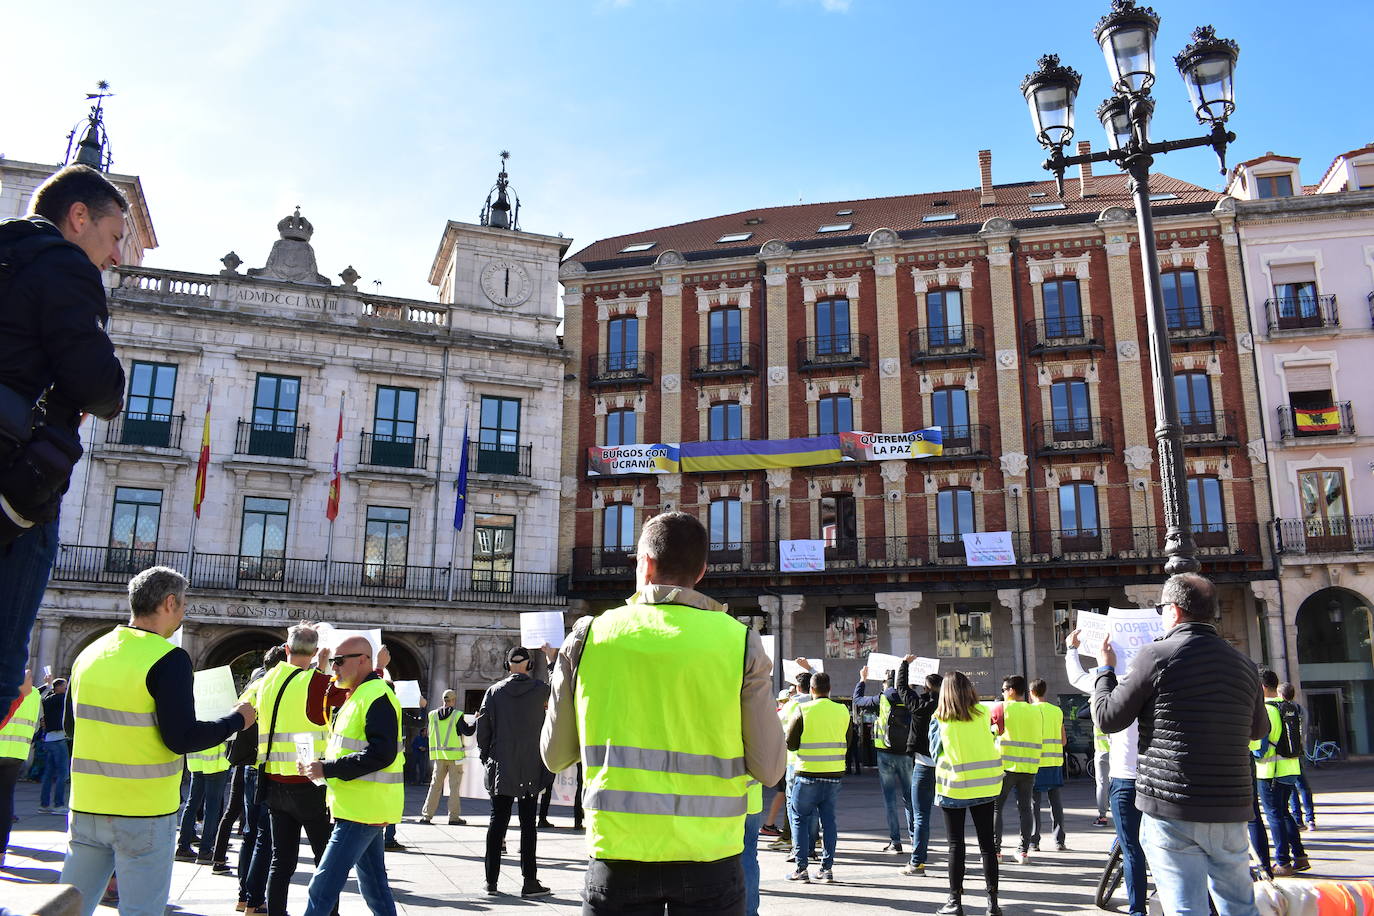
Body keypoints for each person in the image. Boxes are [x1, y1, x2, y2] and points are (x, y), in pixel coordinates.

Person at [541, 511, 785, 916]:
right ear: (702, 571)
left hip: (618, 857)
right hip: (711, 859)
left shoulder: (586, 637)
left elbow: (554, 756)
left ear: (646, 563)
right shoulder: (741, 642)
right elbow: (770, 769)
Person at [0, 165, 126, 728]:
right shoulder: (65, 268)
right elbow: (99, 385)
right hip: (16, 477)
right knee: (5, 664)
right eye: (118, 235)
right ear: (78, 217)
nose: (118, 255)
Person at [58, 566, 256, 916]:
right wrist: (236, 720)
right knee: (141, 910)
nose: (184, 612)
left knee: (68, 907)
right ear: (169, 602)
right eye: (183, 604)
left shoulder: (88, 653)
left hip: (86, 804)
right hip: (143, 810)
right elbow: (182, 738)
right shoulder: (168, 658)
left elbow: (70, 727)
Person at [1093, 573, 1268, 916]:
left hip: (1173, 807)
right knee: (1239, 907)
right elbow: (1258, 730)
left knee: (1186, 908)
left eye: (1161, 608)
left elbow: (1108, 717)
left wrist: (1104, 669)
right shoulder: (1246, 666)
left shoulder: (1156, 655)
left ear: (1173, 611)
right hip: (1231, 808)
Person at [298, 636, 402, 916]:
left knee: (321, 888)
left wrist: (327, 769)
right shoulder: (356, 696)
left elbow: (382, 754)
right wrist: (320, 767)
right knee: (375, 888)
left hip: (362, 808)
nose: (335, 667)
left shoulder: (376, 695)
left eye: (340, 661)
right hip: (360, 805)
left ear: (363, 660)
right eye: (333, 661)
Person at [254, 623, 334, 916]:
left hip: (273, 782)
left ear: (286, 649)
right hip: (309, 784)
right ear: (314, 652)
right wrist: (323, 669)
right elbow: (339, 699)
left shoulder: (267, 679)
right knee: (324, 860)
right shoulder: (316, 681)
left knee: (281, 861)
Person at [1066, 628, 1147, 916]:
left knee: (1131, 848)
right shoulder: (1156, 680)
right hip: (1158, 776)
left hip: (1125, 777)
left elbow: (1076, 678)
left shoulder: (1113, 685)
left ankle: (1138, 910)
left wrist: (1072, 648)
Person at [478, 645, 553, 898]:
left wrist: (487, 756)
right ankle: (529, 881)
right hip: (531, 766)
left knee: (497, 821)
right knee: (528, 825)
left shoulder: (494, 691)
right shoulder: (542, 690)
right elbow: (561, 702)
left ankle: (491, 881)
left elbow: (483, 729)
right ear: (529, 665)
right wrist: (552, 661)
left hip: (502, 767)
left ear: (507, 665)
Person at [931, 671, 1002, 916]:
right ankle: (992, 904)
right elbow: (992, 740)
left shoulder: (940, 718)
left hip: (954, 787)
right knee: (987, 846)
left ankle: (955, 902)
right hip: (986, 786)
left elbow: (934, 753)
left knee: (955, 846)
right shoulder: (984, 713)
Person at [786, 671, 853, 884]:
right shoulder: (842, 710)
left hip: (807, 773)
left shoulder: (802, 709)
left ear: (811, 690)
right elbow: (849, 740)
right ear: (829, 689)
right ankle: (827, 868)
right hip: (833, 774)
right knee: (829, 821)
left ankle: (801, 868)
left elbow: (791, 743)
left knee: (799, 818)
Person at [1255, 668, 1309, 877]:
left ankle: (1282, 862)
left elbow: (1259, 745)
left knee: (1274, 815)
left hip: (1270, 770)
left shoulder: (1265, 710)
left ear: (1261, 687)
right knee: (1284, 812)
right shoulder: (1289, 706)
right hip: (1291, 767)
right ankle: (1299, 855)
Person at [854, 666, 913, 854]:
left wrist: (862, 680)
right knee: (910, 799)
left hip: (885, 753)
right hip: (906, 753)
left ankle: (895, 842)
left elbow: (857, 700)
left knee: (890, 799)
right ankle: (915, 838)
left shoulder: (883, 698)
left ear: (886, 682)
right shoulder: (911, 697)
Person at [895, 661, 941, 876]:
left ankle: (917, 862)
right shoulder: (948, 708)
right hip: (946, 767)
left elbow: (902, 689)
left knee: (921, 814)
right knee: (957, 817)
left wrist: (904, 665)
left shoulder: (921, 707)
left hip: (923, 765)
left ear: (925, 688)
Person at [991, 674, 1040, 865]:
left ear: (1011, 690)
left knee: (996, 808)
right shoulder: (1036, 711)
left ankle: (996, 852)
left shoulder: (1000, 708)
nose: (1002, 693)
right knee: (1025, 808)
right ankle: (1023, 851)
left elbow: (991, 733)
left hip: (1005, 766)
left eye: (1003, 690)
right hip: (1029, 767)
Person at [0, 669, 39, 867]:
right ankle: (1, 851)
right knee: (6, 800)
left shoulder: (6, 690)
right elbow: (39, 725)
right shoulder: (35, 695)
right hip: (17, 753)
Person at [419, 689, 473, 825]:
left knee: (435, 786)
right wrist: (476, 720)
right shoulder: (456, 715)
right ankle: (453, 817)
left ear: (443, 700)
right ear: (453, 700)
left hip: (439, 757)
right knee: (454, 788)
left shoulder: (432, 715)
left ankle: (426, 816)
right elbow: (468, 731)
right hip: (455, 757)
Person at [176, 737, 230, 865]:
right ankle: (205, 850)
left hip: (196, 757)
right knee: (212, 807)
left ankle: (183, 847)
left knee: (193, 802)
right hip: (215, 759)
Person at [1028, 678, 1067, 852]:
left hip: (1036, 763)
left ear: (1031, 693)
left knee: (1034, 804)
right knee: (1056, 803)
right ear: (1045, 691)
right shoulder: (1057, 711)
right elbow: (1063, 740)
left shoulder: (1030, 711)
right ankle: (1059, 840)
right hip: (1054, 762)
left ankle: (1034, 841)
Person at [1279, 683, 1316, 831]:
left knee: (1292, 787)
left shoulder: (1280, 709)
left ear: (1281, 695)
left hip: (1287, 754)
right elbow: (1304, 732)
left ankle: (1298, 819)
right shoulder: (1300, 709)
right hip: (1299, 752)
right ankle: (1310, 818)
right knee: (1304, 786)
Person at [36, 676, 71, 814]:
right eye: (64, 686)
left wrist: (47, 685)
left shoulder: (47, 700)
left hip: (49, 739)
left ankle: (44, 805)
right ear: (58, 688)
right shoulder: (61, 699)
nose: (66, 688)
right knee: (63, 773)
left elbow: (39, 694)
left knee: (48, 774)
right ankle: (59, 804)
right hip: (58, 739)